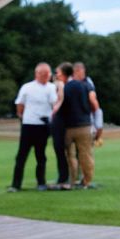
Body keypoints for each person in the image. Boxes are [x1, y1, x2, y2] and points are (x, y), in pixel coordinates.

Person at [8, 63, 54, 190]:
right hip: (29, 124)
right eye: (43, 74)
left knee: (41, 155)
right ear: (37, 74)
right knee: (21, 155)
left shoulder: (51, 88)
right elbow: (20, 104)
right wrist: (22, 116)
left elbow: (54, 104)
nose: (45, 77)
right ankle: (16, 184)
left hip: (43, 125)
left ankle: (41, 182)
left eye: (47, 74)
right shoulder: (27, 87)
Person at [60, 61, 101, 188]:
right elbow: (94, 103)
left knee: (69, 155)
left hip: (68, 126)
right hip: (84, 125)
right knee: (86, 154)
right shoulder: (87, 86)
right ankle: (87, 181)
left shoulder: (65, 86)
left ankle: (72, 180)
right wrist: (97, 121)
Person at [50, 58, 73, 188]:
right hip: (60, 120)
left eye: (58, 72)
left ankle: (64, 177)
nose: (56, 74)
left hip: (60, 121)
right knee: (60, 150)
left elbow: (60, 100)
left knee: (60, 149)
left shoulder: (62, 85)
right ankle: (64, 176)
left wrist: (54, 110)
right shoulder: (61, 84)